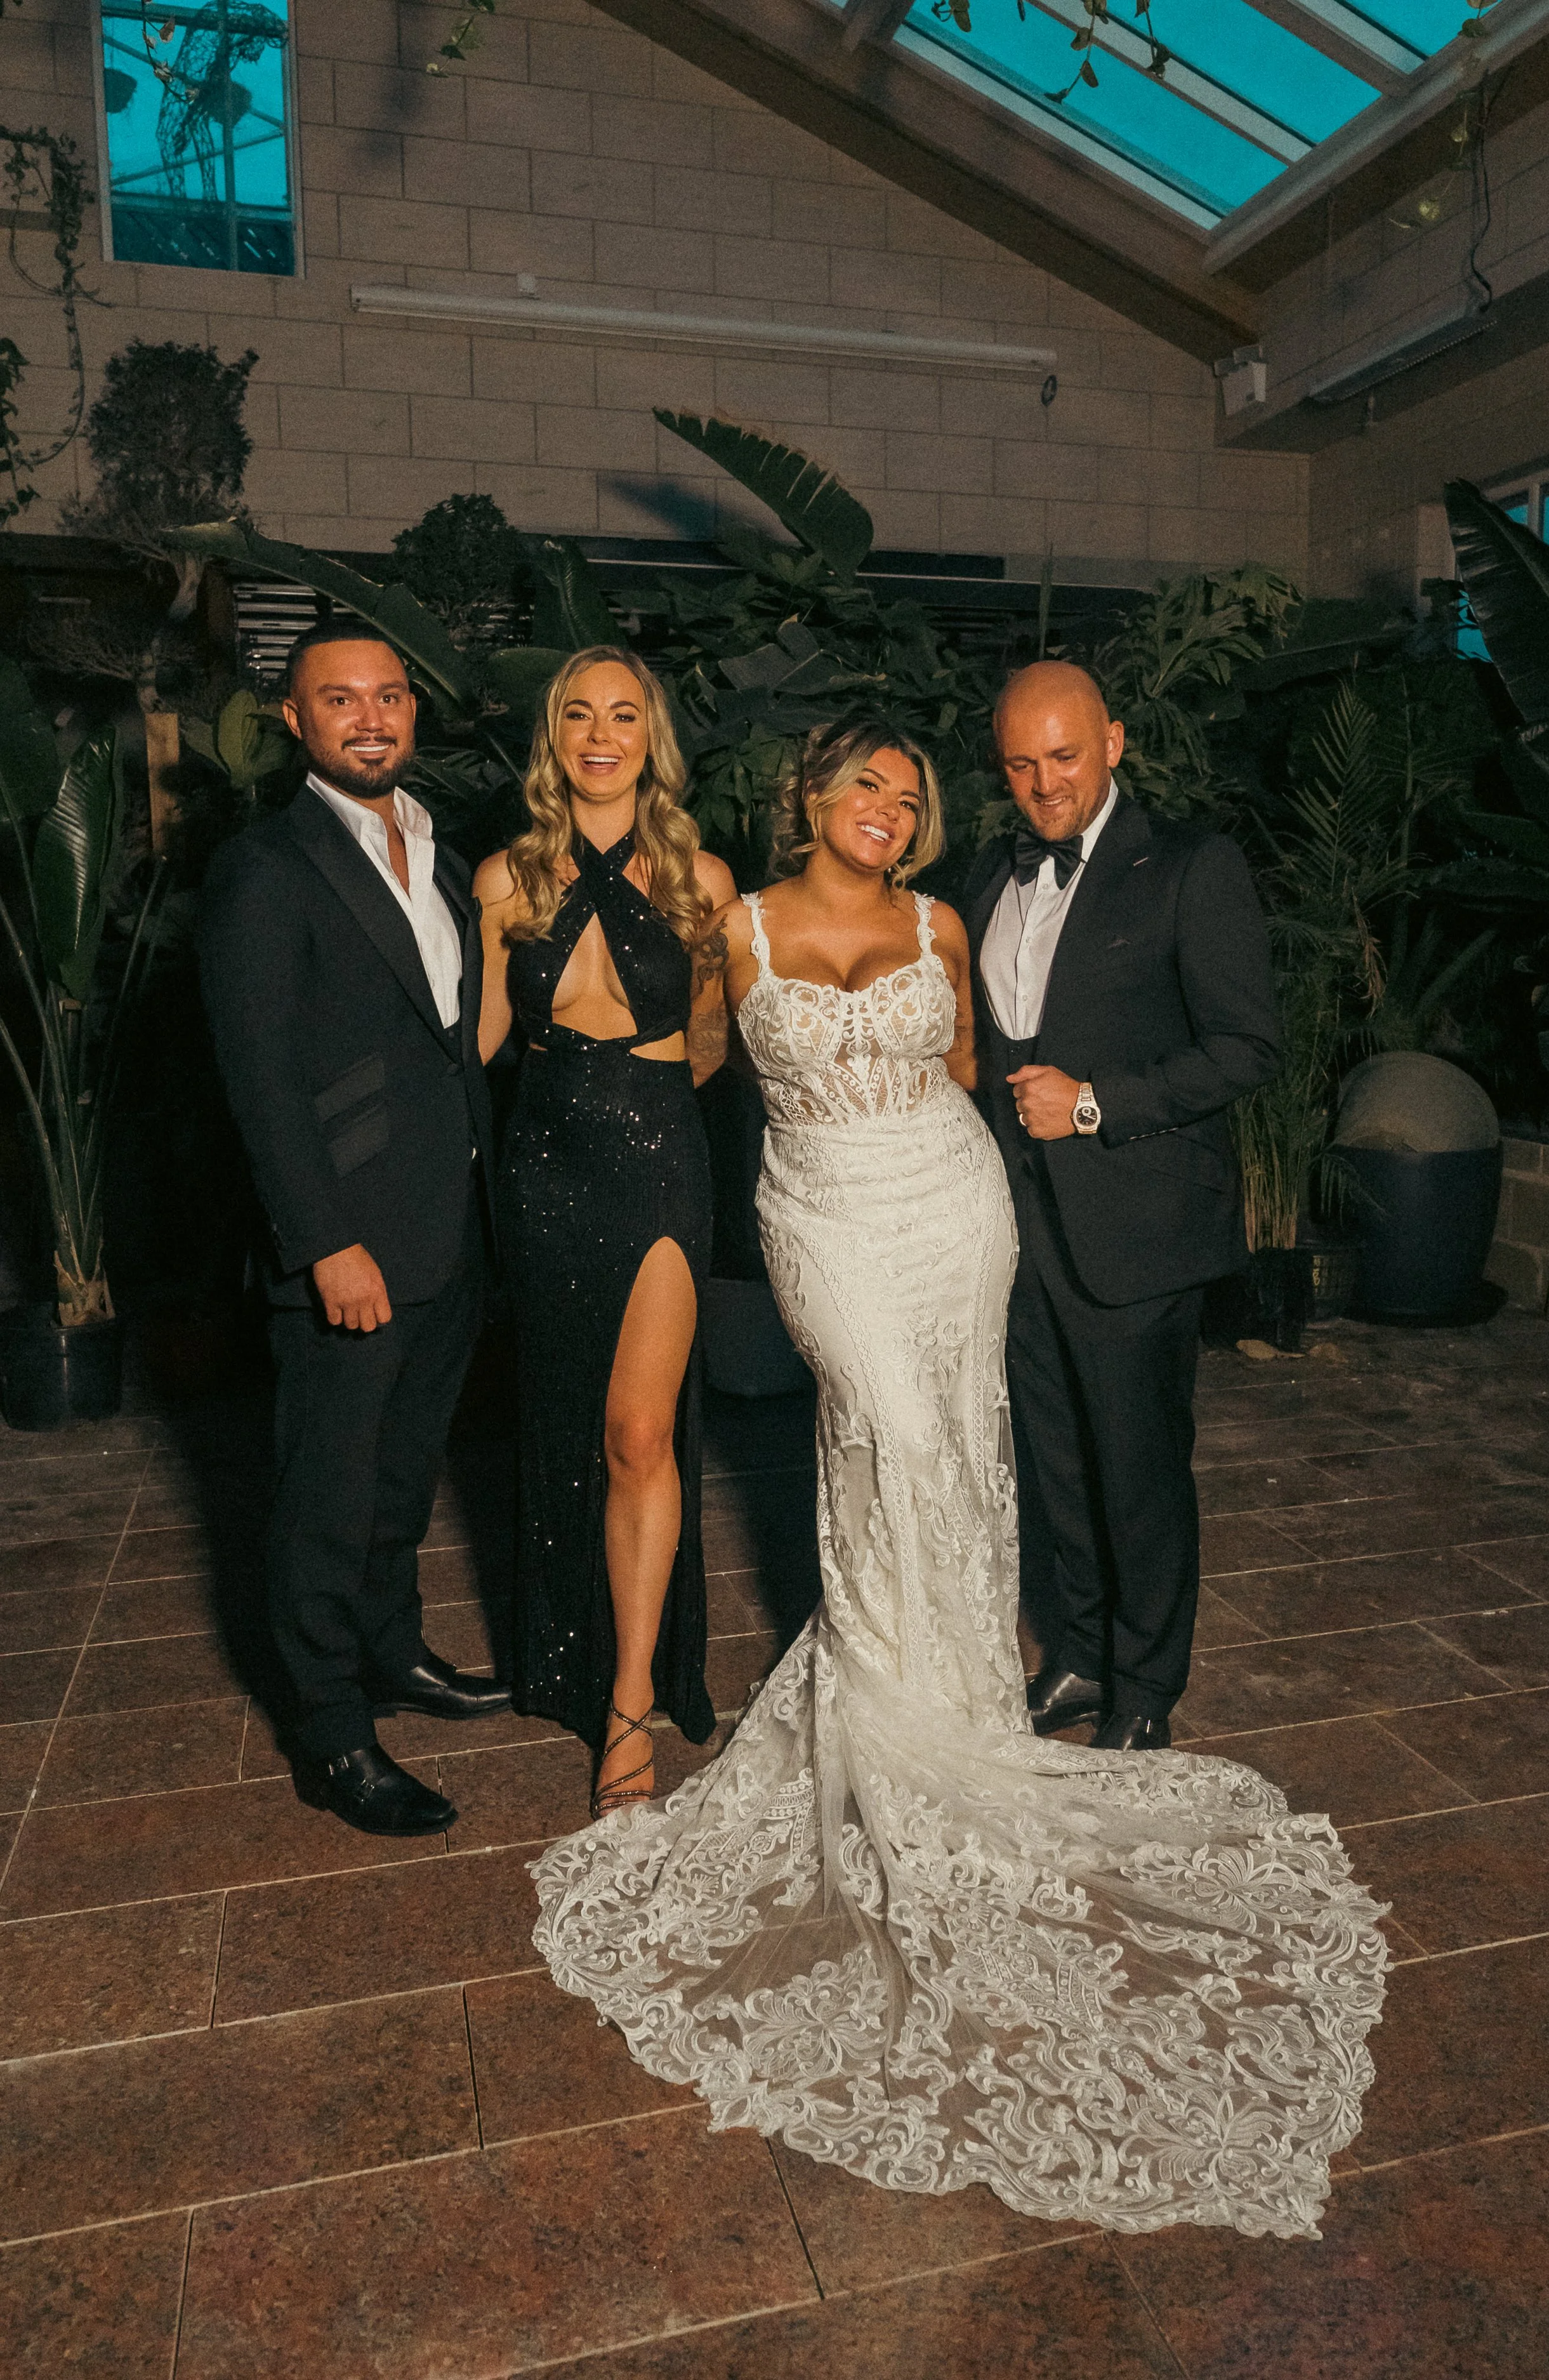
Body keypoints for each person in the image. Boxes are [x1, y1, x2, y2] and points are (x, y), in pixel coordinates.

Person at [531, 715, 1386, 2238]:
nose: (889, 805)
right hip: (823, 1217)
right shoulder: (731, 917)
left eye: (910, 792)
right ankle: (897, 1718)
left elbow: (978, 1070)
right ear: (809, 793)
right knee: (889, 1439)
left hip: (951, 1205)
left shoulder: (944, 916)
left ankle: (960, 1706)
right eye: (865, 781)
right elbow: (689, 1063)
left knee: (962, 1447)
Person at [199, 625, 508, 1839]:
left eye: (389, 694)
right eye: (340, 697)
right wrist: (323, 1241)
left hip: (445, 1231)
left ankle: (393, 1653)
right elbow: (259, 1077)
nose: (370, 715)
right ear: (294, 719)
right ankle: (330, 1732)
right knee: (325, 1493)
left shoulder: (439, 851)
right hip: (350, 1249)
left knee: (400, 1475)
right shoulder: (265, 869)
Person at [963, 661, 1281, 1752]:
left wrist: (1096, 1103)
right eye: (1020, 761)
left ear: (1115, 742)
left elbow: (1248, 1046)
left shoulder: (1193, 866)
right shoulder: (986, 878)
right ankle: (1082, 1658)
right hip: (1015, 1231)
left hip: (1138, 1230)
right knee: (1055, 1461)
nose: (1044, 782)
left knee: (1140, 1468)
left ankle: (1147, 1685)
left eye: (1064, 754)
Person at [475, 647, 735, 1816]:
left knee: (640, 1431)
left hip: (658, 1163)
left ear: (651, 736)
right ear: (553, 737)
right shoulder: (502, 881)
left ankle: (629, 1697)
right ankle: (574, 1653)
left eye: (622, 713)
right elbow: (473, 1047)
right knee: (568, 1424)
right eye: (577, 713)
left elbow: (720, 1044)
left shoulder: (703, 882)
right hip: (543, 1170)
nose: (599, 732)